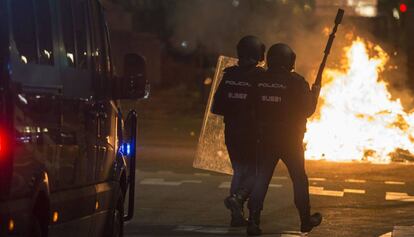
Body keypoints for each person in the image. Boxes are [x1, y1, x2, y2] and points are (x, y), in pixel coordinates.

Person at [246, 43, 322, 235]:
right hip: (290, 140)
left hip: (265, 138)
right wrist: (315, 93)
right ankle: (305, 220)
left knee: (261, 179)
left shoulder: (258, 80)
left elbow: (250, 106)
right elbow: (308, 111)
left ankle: (253, 221)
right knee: (299, 179)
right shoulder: (296, 82)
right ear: (290, 62)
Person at [211, 35, 265, 227]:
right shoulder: (260, 77)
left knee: (239, 171)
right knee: (256, 173)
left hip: (232, 131)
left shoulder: (229, 75)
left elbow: (215, 107)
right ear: (258, 54)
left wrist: (234, 107)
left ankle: (236, 216)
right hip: (252, 133)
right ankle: (239, 198)